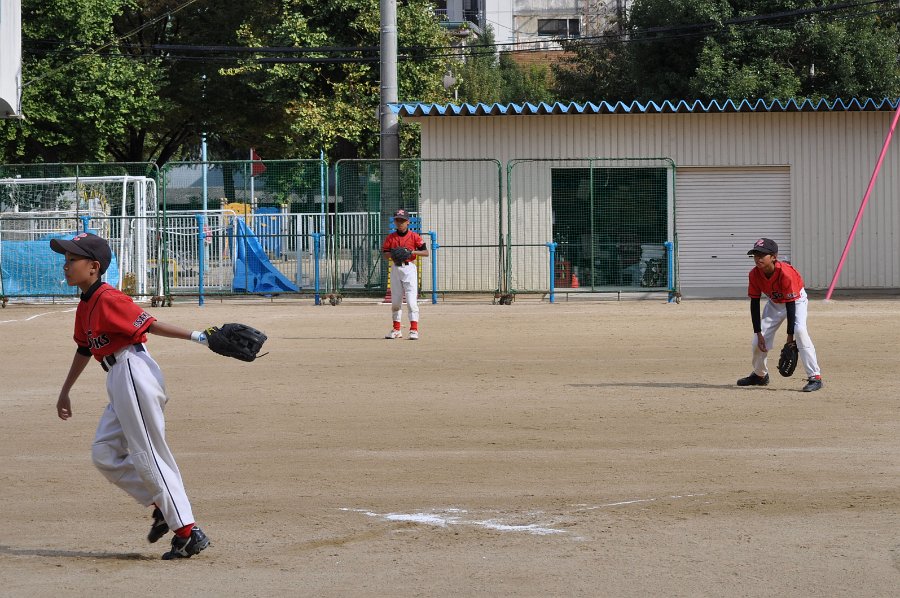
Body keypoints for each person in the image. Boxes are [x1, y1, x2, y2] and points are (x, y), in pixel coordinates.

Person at [52, 232, 213, 559]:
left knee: (149, 453)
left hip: (133, 371)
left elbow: (151, 324)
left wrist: (201, 337)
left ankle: (188, 531)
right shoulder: (85, 305)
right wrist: (65, 391)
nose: (65, 265)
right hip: (118, 377)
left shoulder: (108, 298)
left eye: (72, 260)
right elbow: (84, 349)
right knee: (104, 453)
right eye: (65, 259)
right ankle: (163, 506)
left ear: (94, 267)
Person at [737, 238, 824, 392]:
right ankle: (760, 375)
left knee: (800, 331)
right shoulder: (754, 274)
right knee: (757, 341)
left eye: (762, 255)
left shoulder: (786, 273)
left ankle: (815, 377)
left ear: (773, 257)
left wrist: (790, 338)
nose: (757, 258)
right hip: (775, 303)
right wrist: (759, 332)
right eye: (755, 255)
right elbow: (754, 303)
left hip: (796, 301)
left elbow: (791, 305)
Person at [381, 209, 428, 340]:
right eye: (397, 220)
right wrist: (394, 254)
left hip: (409, 269)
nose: (400, 223)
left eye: (402, 220)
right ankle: (396, 330)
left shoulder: (414, 236)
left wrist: (411, 252)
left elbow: (425, 252)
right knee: (396, 302)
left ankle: (414, 330)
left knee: (411, 301)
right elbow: (385, 253)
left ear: (408, 222)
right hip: (395, 269)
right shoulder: (391, 237)